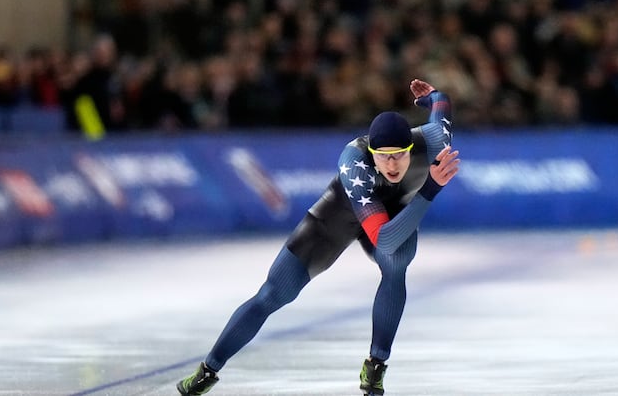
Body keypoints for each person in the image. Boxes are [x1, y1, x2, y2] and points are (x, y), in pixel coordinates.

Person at [176, 78, 459, 395]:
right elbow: (384, 239)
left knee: (398, 264)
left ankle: (376, 366)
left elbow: (442, 109)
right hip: (339, 215)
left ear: (412, 147)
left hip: (393, 214)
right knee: (274, 293)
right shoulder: (355, 162)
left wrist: (433, 96)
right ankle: (208, 370)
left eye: (399, 155)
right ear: (371, 151)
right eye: (383, 155)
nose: (392, 164)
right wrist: (431, 189)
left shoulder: (435, 142)